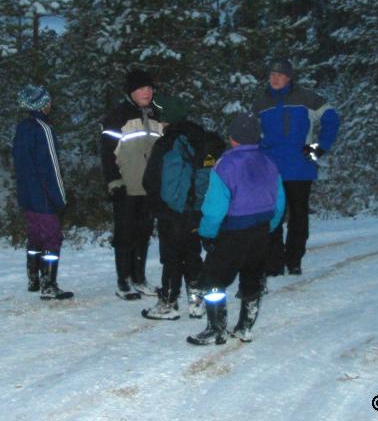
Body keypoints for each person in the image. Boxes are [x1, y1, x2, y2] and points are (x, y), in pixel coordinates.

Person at [187, 114, 285, 345]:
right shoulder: (269, 163)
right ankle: (245, 327)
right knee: (252, 278)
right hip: (260, 231)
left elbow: (214, 209)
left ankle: (216, 329)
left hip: (232, 232)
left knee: (214, 280)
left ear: (231, 138)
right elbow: (279, 202)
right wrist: (269, 226)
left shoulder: (225, 165)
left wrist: (207, 233)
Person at [141, 97, 226, 320]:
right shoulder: (200, 138)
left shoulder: (167, 143)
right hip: (196, 210)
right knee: (192, 253)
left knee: (171, 256)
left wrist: (157, 205)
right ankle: (196, 300)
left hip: (172, 211)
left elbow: (151, 179)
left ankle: (168, 302)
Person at [253, 58, 339, 276]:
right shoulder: (260, 103)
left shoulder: (307, 98)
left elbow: (331, 118)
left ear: (289, 78)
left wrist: (319, 147)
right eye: (272, 75)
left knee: (298, 217)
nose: (275, 79)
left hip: (300, 168)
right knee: (272, 217)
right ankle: (274, 263)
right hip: (271, 170)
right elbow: (252, 133)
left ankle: (294, 261)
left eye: (280, 75)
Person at [100, 69, 162, 300]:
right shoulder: (117, 117)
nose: (147, 92)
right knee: (125, 234)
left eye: (150, 88)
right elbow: (107, 153)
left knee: (143, 233)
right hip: (126, 186)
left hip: (149, 187)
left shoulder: (156, 115)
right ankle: (123, 280)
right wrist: (114, 181)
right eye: (142, 88)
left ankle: (139, 278)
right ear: (131, 91)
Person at [12, 85, 73, 300]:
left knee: (35, 236)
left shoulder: (22, 128)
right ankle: (49, 284)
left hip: (27, 196)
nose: (50, 105)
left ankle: (33, 279)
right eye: (48, 101)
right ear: (42, 104)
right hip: (44, 197)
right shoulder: (43, 130)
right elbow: (52, 168)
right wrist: (60, 199)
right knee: (52, 238)